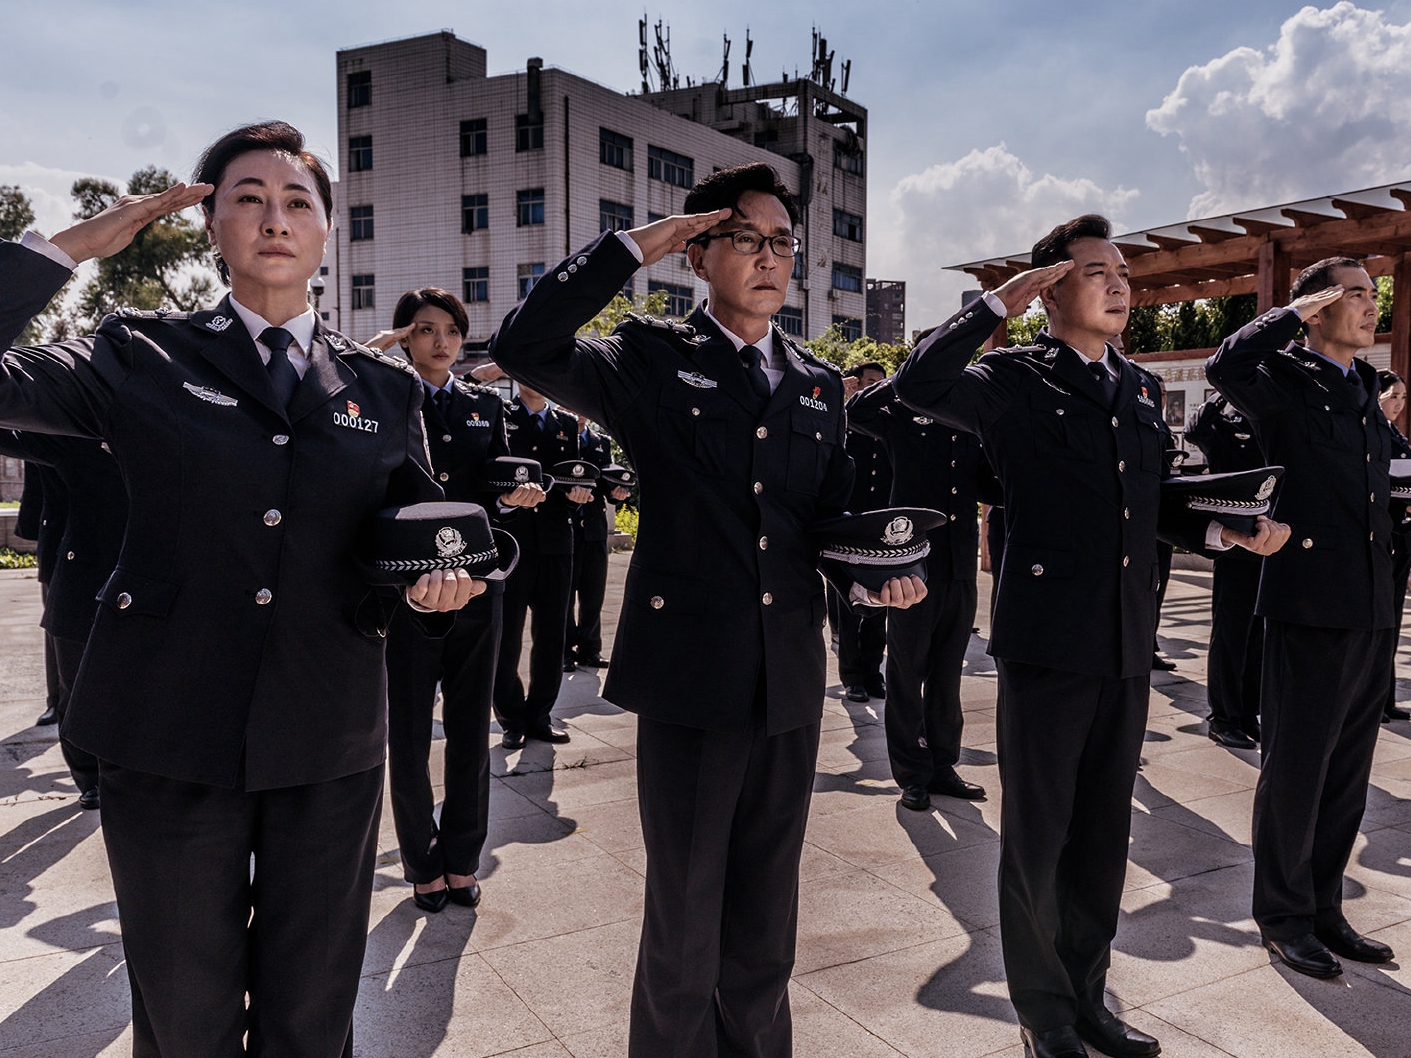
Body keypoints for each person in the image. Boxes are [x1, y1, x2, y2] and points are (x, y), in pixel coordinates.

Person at [0, 121, 481, 1057]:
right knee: (187, 1022)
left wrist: (429, 588)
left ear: (327, 233)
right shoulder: (138, 354)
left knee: (313, 1021)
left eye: (298, 201)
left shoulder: (383, 390)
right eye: (247, 198)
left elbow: (406, 539)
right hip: (166, 729)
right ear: (209, 225)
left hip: (326, 736)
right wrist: (62, 250)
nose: (274, 218)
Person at [489, 162, 925, 1058]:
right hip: (691, 675)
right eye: (747, 238)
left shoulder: (811, 381)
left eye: (782, 243)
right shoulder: (650, 359)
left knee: (767, 914)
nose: (770, 257)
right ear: (700, 253)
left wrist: (873, 572)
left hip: (788, 674)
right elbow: (528, 345)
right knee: (685, 918)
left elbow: (827, 514)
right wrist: (631, 247)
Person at [893, 214, 1289, 1058]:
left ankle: (1087, 994)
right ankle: (1044, 1014)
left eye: (1122, 273)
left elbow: (1152, 504)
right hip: (1047, 642)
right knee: (1040, 836)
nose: (1118, 284)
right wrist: (992, 304)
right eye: (1096, 271)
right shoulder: (1011, 377)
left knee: (1104, 833)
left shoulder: (1137, 389)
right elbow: (919, 385)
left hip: (1121, 639)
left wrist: (1227, 531)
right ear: (1047, 293)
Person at [1208, 259, 1399, 979]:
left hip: (1370, 606)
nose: (1367, 306)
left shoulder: (1363, 390)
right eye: (1353, 293)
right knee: (1296, 769)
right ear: (1316, 306)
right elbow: (1228, 363)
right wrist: (1293, 311)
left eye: (1372, 295)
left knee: (1345, 773)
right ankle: (1282, 916)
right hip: (1308, 604)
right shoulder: (1284, 378)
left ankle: (1323, 907)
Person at [365, 287, 545, 913]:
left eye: (451, 330)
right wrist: (375, 360)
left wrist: (513, 500)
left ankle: (463, 858)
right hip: (407, 586)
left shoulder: (480, 405)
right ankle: (422, 862)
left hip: (475, 583)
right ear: (404, 336)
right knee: (410, 731)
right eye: (424, 329)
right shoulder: (380, 395)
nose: (440, 341)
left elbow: (495, 482)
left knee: (470, 727)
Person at [845, 373, 986, 810]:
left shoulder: (968, 419)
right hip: (912, 566)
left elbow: (987, 481)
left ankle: (943, 765)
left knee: (947, 673)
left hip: (959, 564)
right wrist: (905, 380)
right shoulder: (898, 413)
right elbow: (856, 412)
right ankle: (912, 773)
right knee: (907, 671)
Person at [0, 432, 124, 808]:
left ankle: (118, 775)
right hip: (81, 570)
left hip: (147, 574)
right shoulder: (72, 433)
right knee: (75, 682)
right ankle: (90, 779)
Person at [493, 378, 586, 747]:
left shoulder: (565, 425)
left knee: (552, 635)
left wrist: (578, 497)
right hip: (513, 543)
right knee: (507, 637)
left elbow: (571, 480)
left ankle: (541, 714)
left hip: (556, 543)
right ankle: (511, 717)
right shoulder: (501, 416)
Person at [1184, 394, 1268, 747]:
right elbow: (1194, 430)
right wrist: (1223, 392)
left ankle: (1248, 712)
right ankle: (1223, 717)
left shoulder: (1270, 412)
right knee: (1231, 633)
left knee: (1258, 636)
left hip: (1270, 536)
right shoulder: (1221, 417)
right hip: (1234, 540)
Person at [835, 360, 892, 702]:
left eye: (880, 384)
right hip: (850, 522)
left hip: (882, 525)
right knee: (848, 600)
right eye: (869, 382)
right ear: (855, 383)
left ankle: (873, 672)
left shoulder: (887, 425)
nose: (875, 389)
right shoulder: (840, 422)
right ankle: (852, 676)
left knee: (881, 599)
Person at [564, 412, 630, 670]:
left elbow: (607, 483)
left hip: (594, 528)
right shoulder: (558, 436)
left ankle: (590, 649)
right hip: (566, 527)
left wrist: (616, 493)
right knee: (565, 594)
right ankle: (565, 650)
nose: (575, 413)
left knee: (593, 593)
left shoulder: (600, 441)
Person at [1377, 370, 1411, 723]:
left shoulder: (1395, 436)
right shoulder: (1374, 434)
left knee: (1393, 620)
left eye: (1403, 397)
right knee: (1381, 621)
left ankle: (1386, 698)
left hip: (1401, 538)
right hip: (1382, 536)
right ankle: (1375, 698)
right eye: (1394, 396)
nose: (1399, 404)